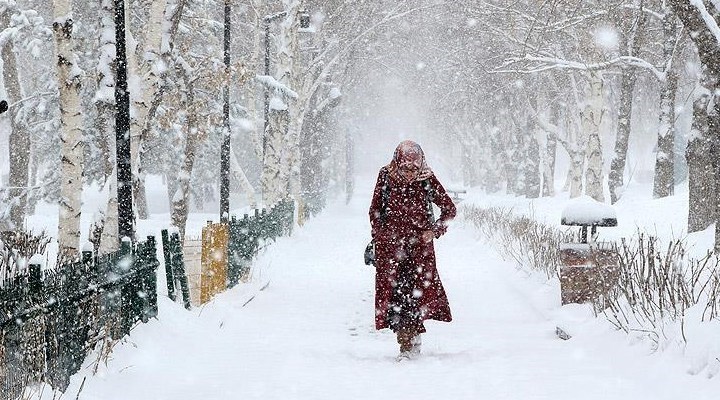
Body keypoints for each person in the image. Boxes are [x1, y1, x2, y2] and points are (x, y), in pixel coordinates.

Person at [368, 140, 457, 361]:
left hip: (420, 252)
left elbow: (449, 210)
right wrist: (381, 236)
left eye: (413, 168)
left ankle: (411, 341)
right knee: (396, 298)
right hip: (391, 251)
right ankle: (406, 342)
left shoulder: (427, 179)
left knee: (416, 297)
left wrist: (434, 231)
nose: (409, 173)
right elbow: (375, 210)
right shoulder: (386, 176)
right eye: (405, 168)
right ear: (397, 163)